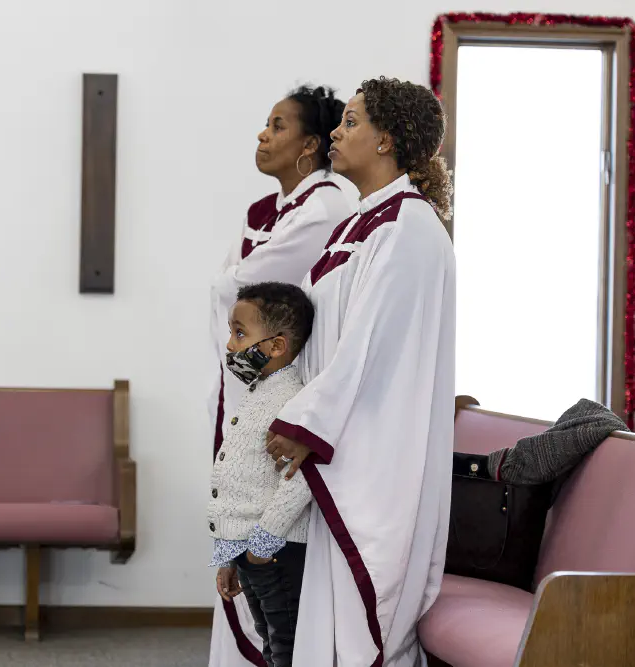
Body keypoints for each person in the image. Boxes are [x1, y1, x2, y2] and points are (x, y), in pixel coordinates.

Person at [264, 77, 456, 667]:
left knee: (361, 623)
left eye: (350, 122)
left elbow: (368, 347)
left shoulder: (408, 227)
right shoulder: (359, 222)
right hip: (342, 444)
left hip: (375, 453)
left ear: (386, 141)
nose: (336, 133)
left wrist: (304, 422)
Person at [207, 85, 354, 667]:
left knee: (285, 636)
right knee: (269, 631)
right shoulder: (268, 211)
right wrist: (232, 551)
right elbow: (236, 292)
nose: (263, 135)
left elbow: (237, 287)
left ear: (310, 144)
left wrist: (260, 545)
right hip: (245, 394)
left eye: (277, 125)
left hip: (272, 540)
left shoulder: (325, 206)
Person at [209, 282, 315, 667]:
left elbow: (301, 477)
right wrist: (230, 556)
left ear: (276, 345)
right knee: (269, 641)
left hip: (275, 550)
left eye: (240, 333)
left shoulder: (292, 400)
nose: (230, 344)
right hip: (251, 549)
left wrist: (263, 542)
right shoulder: (259, 392)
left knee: (285, 645)